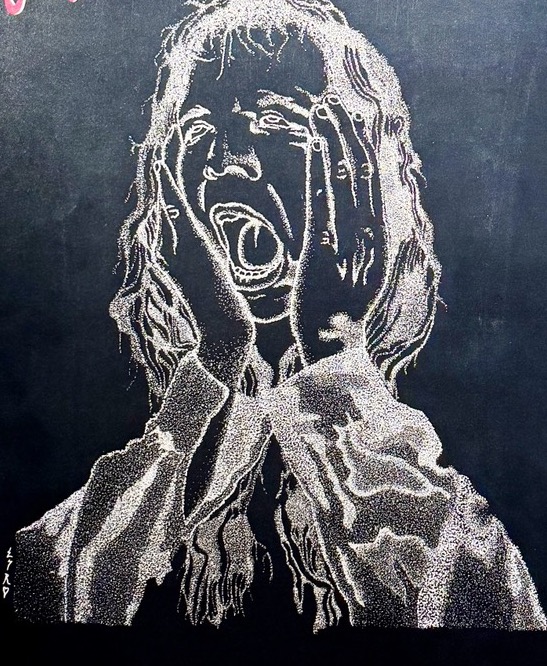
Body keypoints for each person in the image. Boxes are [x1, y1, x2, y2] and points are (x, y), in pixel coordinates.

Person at [14, 0, 546, 630]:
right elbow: (50, 594)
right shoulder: (114, 496)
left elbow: (470, 614)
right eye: (198, 132)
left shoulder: (454, 506)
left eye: (274, 122)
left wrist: (331, 347)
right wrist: (214, 358)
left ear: (361, 180)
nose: (225, 159)